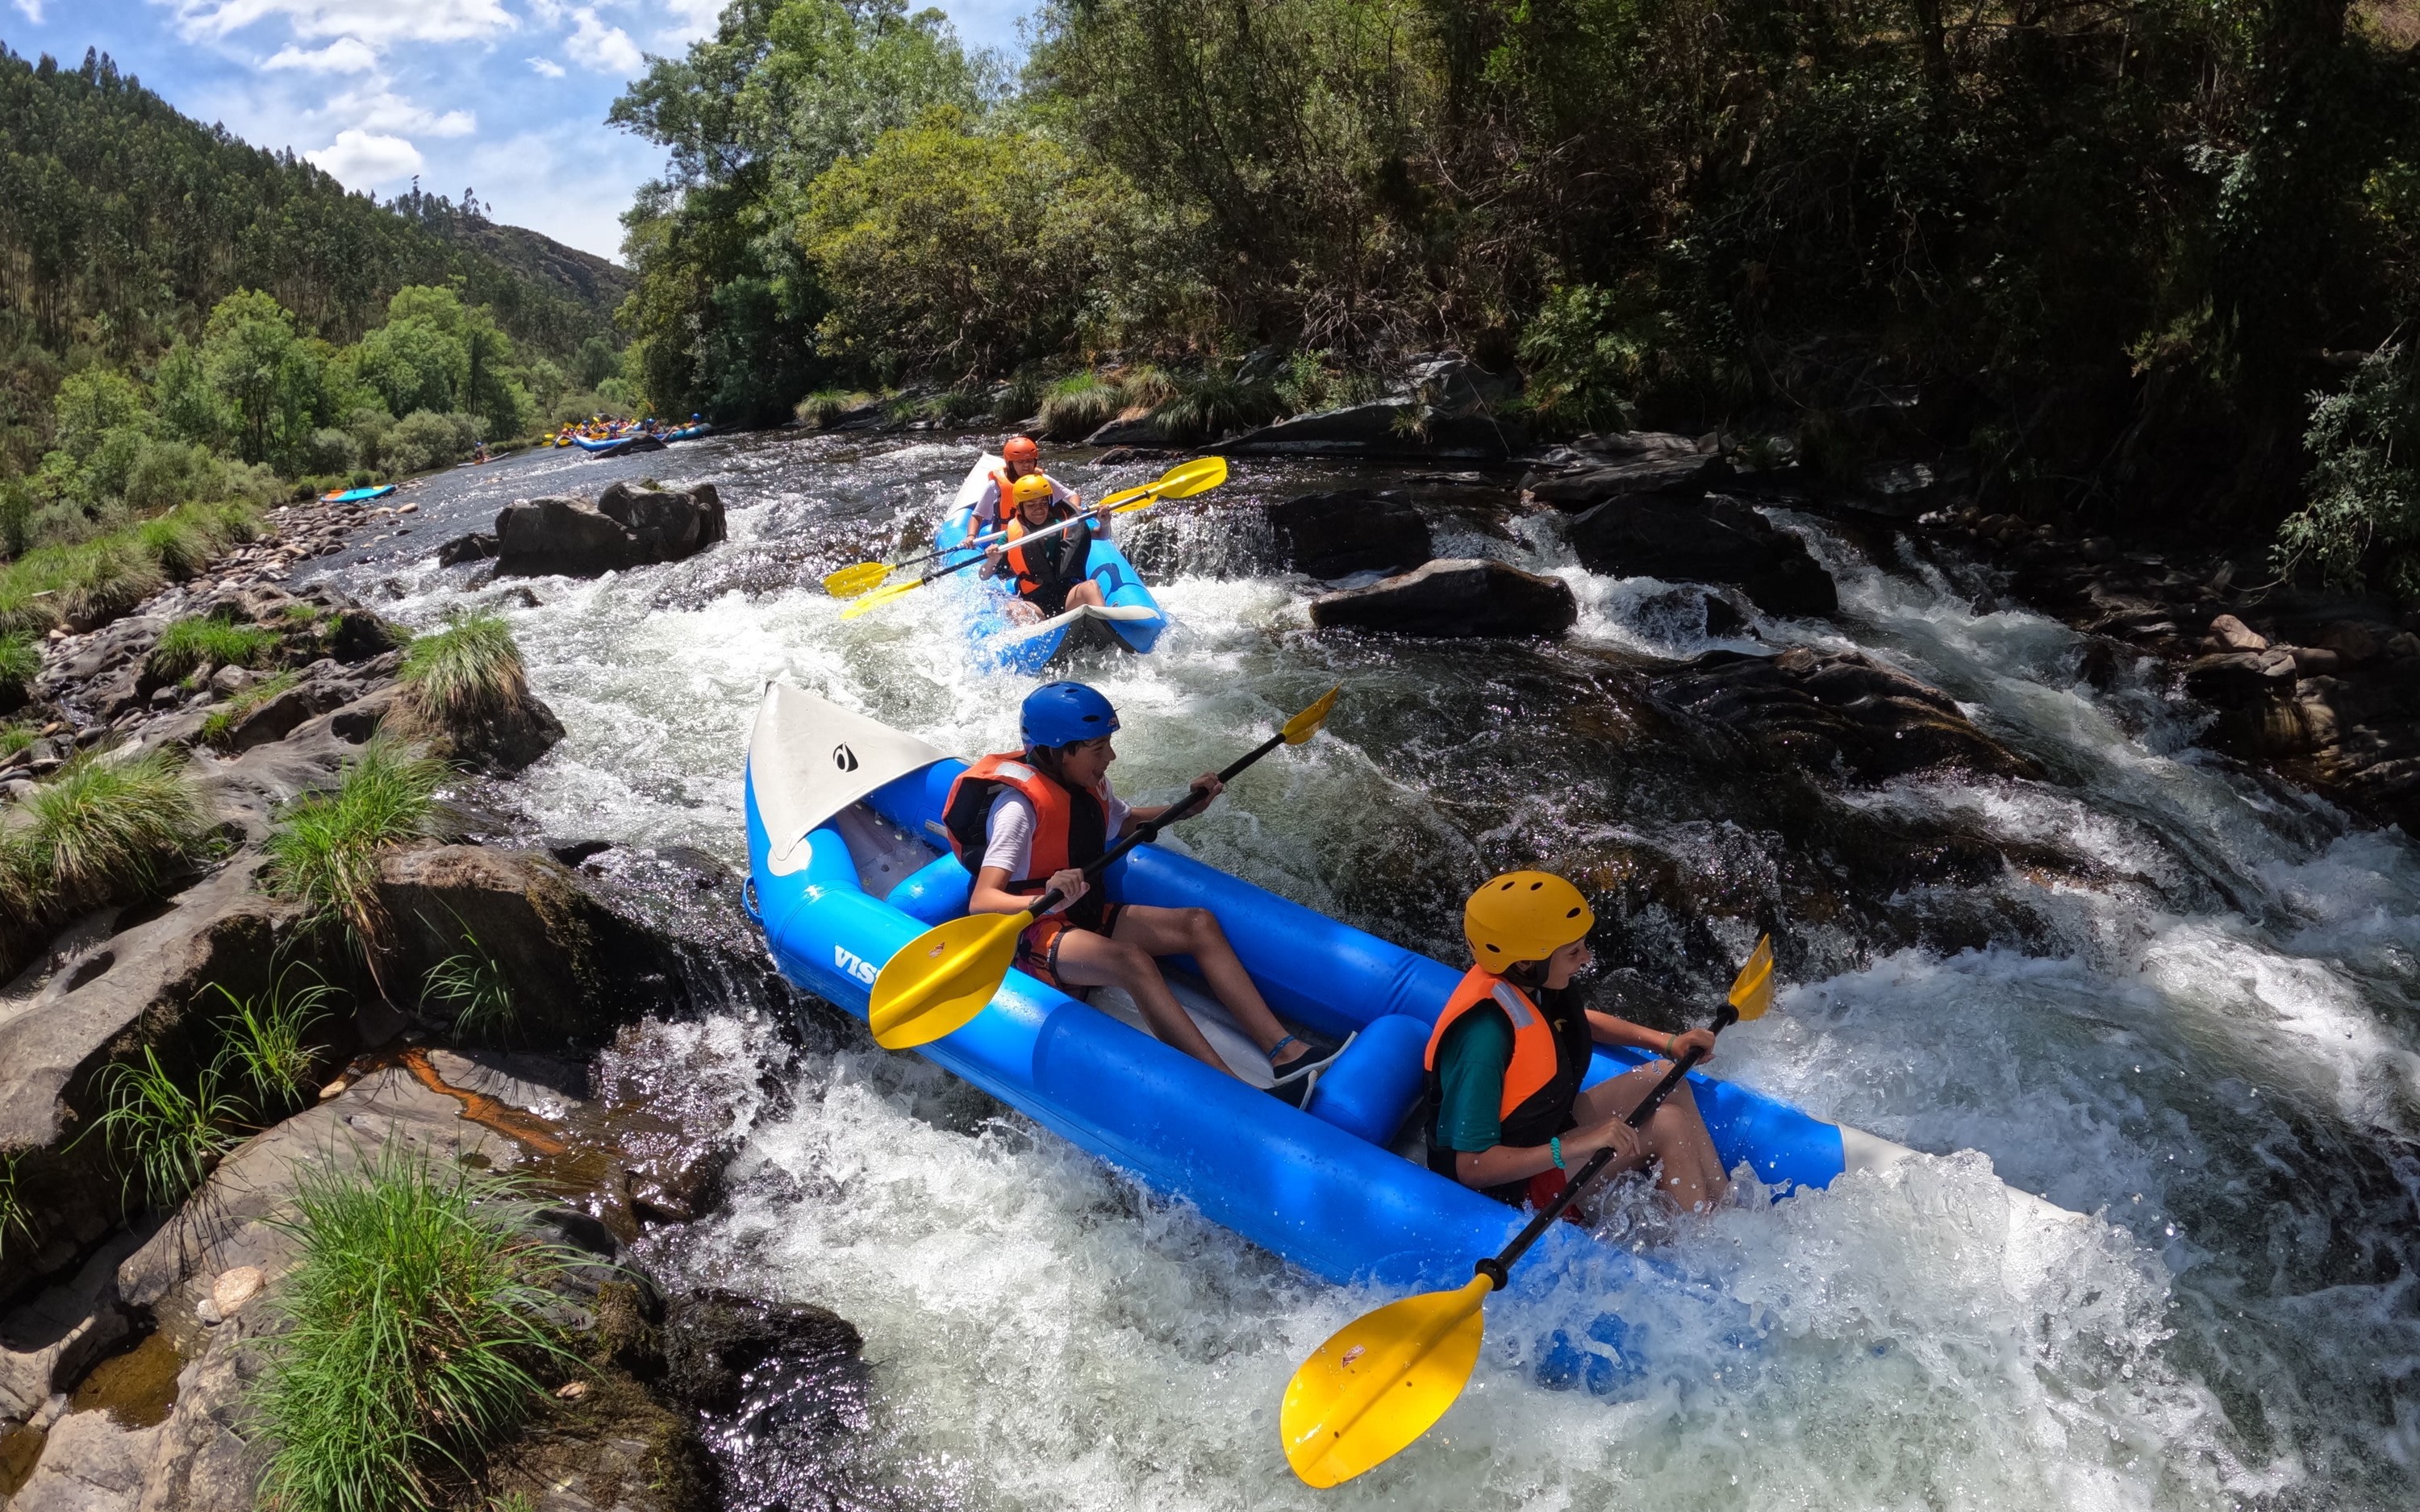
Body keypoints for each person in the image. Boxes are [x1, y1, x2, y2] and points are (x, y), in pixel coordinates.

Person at [947, 681, 1348, 1106]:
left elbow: (1123, 823)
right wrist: (1045, 896)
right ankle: (1232, 1090)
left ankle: (1286, 1052)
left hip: (1080, 911)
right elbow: (984, 901)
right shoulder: (1018, 810)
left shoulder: (1088, 785)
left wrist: (1188, 807)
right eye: (1098, 747)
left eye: (1109, 744)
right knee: (1131, 962)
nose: (1111, 757)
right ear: (1059, 750)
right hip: (1029, 929)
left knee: (1198, 924)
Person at [1425, 872, 1731, 1214]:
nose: (1586, 958)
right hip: (1513, 1185)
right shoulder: (1483, 1039)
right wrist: (1573, 1146)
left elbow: (1576, 1022)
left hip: (1544, 1130)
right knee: (1668, 1124)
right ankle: (1703, 1248)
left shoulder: (1527, 981)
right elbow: (1471, 1168)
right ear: (1526, 962)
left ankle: (1726, 1211)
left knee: (1663, 1075)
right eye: (1573, 952)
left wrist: (1667, 1041)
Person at [982, 473, 1112, 621]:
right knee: (1013, 608)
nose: (1039, 509)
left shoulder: (1061, 522)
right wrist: (992, 560)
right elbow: (984, 575)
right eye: (1031, 505)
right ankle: (1037, 639)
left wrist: (1105, 523)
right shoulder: (1011, 535)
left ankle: (1105, 627)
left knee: (1091, 586)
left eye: (1043, 503)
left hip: (1067, 596)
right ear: (1020, 507)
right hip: (1037, 605)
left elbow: (1102, 535)